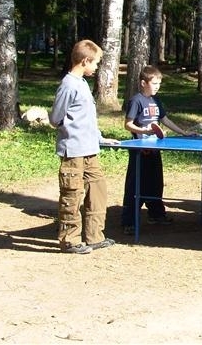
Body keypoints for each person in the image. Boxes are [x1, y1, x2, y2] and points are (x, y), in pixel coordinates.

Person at [49, 39, 119, 254]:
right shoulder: (69, 84)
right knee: (72, 194)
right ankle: (69, 241)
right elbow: (55, 118)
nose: (96, 67)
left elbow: (86, 118)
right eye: (95, 63)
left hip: (90, 149)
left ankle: (94, 236)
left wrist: (99, 138)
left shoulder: (82, 84)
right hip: (74, 151)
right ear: (85, 61)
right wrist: (72, 132)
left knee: (98, 190)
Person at [121, 65, 194, 235]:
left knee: (155, 182)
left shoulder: (156, 101)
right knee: (135, 185)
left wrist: (183, 132)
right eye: (154, 83)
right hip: (140, 150)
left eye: (159, 83)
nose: (157, 87)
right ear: (143, 83)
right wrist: (144, 131)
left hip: (154, 148)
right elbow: (128, 124)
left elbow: (165, 120)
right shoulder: (136, 100)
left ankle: (156, 214)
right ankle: (129, 221)